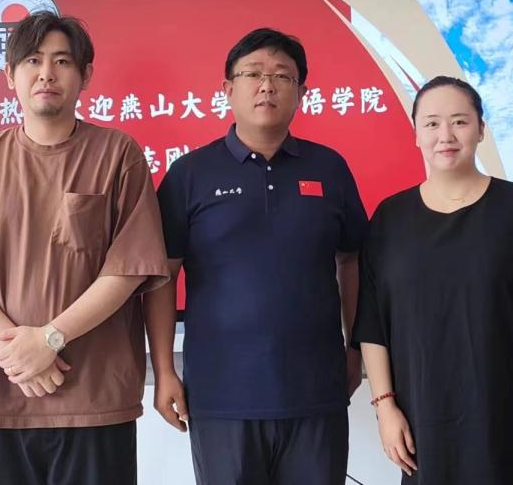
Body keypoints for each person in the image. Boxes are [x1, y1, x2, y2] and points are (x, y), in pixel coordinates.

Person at [0, 12, 170, 485]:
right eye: (33, 61)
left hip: (95, 399)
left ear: (85, 76)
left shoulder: (119, 155)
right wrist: (20, 355)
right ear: (9, 74)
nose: (46, 74)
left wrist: (50, 339)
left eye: (62, 61)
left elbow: (128, 269)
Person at [144, 27, 368, 485]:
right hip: (221, 396)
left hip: (316, 390)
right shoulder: (190, 174)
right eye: (253, 74)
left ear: (301, 93)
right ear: (228, 89)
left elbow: (352, 260)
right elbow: (162, 276)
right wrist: (164, 370)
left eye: (282, 76)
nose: (267, 86)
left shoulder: (330, 168)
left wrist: (354, 347)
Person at [353, 76, 513, 484]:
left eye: (460, 121)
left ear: (481, 130)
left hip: (510, 412)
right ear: (416, 135)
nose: (446, 135)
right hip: (423, 422)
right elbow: (373, 325)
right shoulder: (389, 219)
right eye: (432, 124)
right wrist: (385, 408)